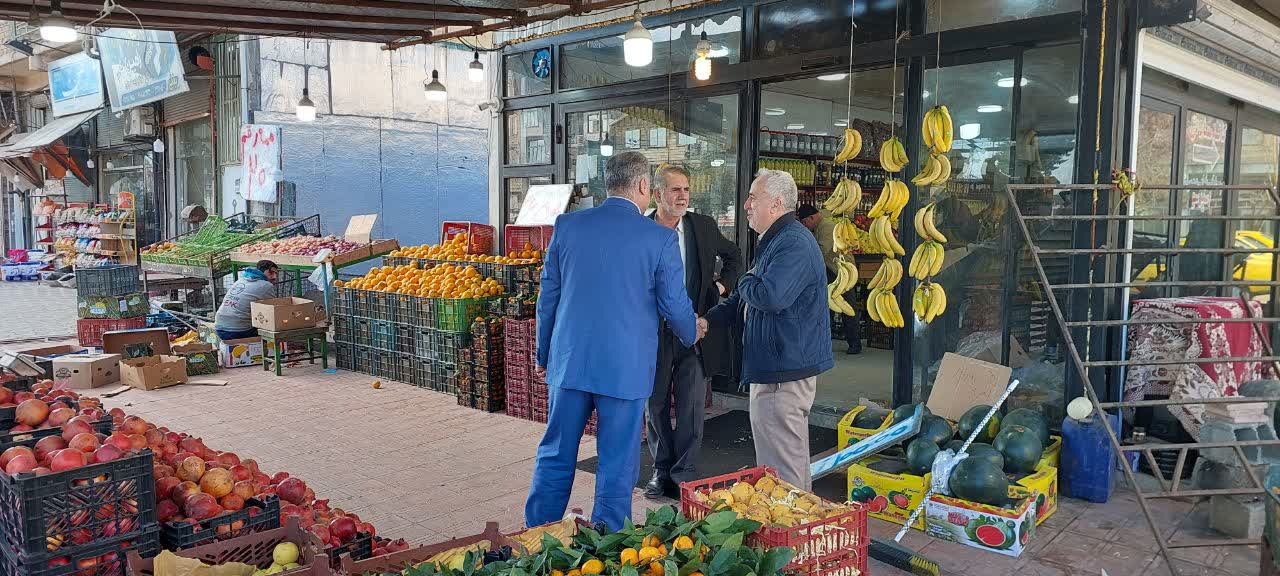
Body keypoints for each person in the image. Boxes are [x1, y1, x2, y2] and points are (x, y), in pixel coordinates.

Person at [525, 151, 704, 531]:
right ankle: (606, 541)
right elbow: (675, 305)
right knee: (617, 463)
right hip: (625, 369)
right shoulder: (660, 239)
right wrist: (692, 332)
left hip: (570, 362)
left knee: (556, 453)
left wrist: (544, 352)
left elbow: (548, 298)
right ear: (643, 185)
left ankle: (536, 535)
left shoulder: (568, 226)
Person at [705, 170, 832, 490]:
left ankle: (793, 520)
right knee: (783, 460)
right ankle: (794, 517)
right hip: (776, 367)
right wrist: (708, 321)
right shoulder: (777, 240)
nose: (746, 205)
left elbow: (768, 296)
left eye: (753, 198)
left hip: (783, 371)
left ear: (775, 204)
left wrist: (745, 277)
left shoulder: (793, 243)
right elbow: (744, 299)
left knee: (783, 467)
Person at [643, 164, 742, 500]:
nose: (683, 196)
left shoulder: (701, 226)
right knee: (655, 404)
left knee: (691, 406)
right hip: (654, 334)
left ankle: (683, 474)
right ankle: (661, 472)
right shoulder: (642, 230)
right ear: (657, 194)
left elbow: (733, 256)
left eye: (686, 189)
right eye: (675, 190)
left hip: (695, 330)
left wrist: (721, 287)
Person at [799, 204, 861, 355]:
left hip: (842, 272)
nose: (805, 226)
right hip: (832, 270)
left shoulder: (826, 227)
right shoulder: (819, 227)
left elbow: (821, 251)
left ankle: (855, 343)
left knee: (847, 306)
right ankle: (825, 342)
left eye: (805, 222)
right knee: (828, 306)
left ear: (812, 218)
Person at [214, 260, 279, 341]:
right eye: (271, 272)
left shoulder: (241, 280)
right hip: (237, 331)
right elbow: (273, 311)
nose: (274, 277)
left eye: (276, 273)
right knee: (269, 331)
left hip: (219, 327)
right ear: (263, 271)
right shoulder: (266, 285)